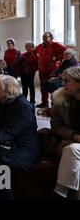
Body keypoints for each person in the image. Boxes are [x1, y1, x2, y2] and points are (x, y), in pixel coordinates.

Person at [51, 67, 80, 200]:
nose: (63, 84)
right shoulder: (60, 99)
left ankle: (60, 193)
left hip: (72, 146)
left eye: (67, 81)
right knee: (72, 151)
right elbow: (56, 126)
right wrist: (74, 136)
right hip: (72, 142)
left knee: (72, 150)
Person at [36, 32, 67, 108]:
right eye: (43, 36)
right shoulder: (40, 46)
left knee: (52, 87)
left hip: (52, 70)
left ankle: (54, 103)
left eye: (46, 36)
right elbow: (35, 53)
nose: (44, 38)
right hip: (42, 70)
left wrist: (57, 58)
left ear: (51, 37)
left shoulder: (55, 45)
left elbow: (66, 51)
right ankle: (44, 103)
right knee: (43, 86)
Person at [16, 42, 39, 107]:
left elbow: (35, 61)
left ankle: (32, 99)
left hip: (31, 72)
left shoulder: (34, 55)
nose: (27, 47)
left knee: (31, 85)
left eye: (29, 46)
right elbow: (18, 63)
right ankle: (24, 98)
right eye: (26, 46)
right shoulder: (23, 55)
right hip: (23, 72)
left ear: (32, 47)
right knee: (24, 86)